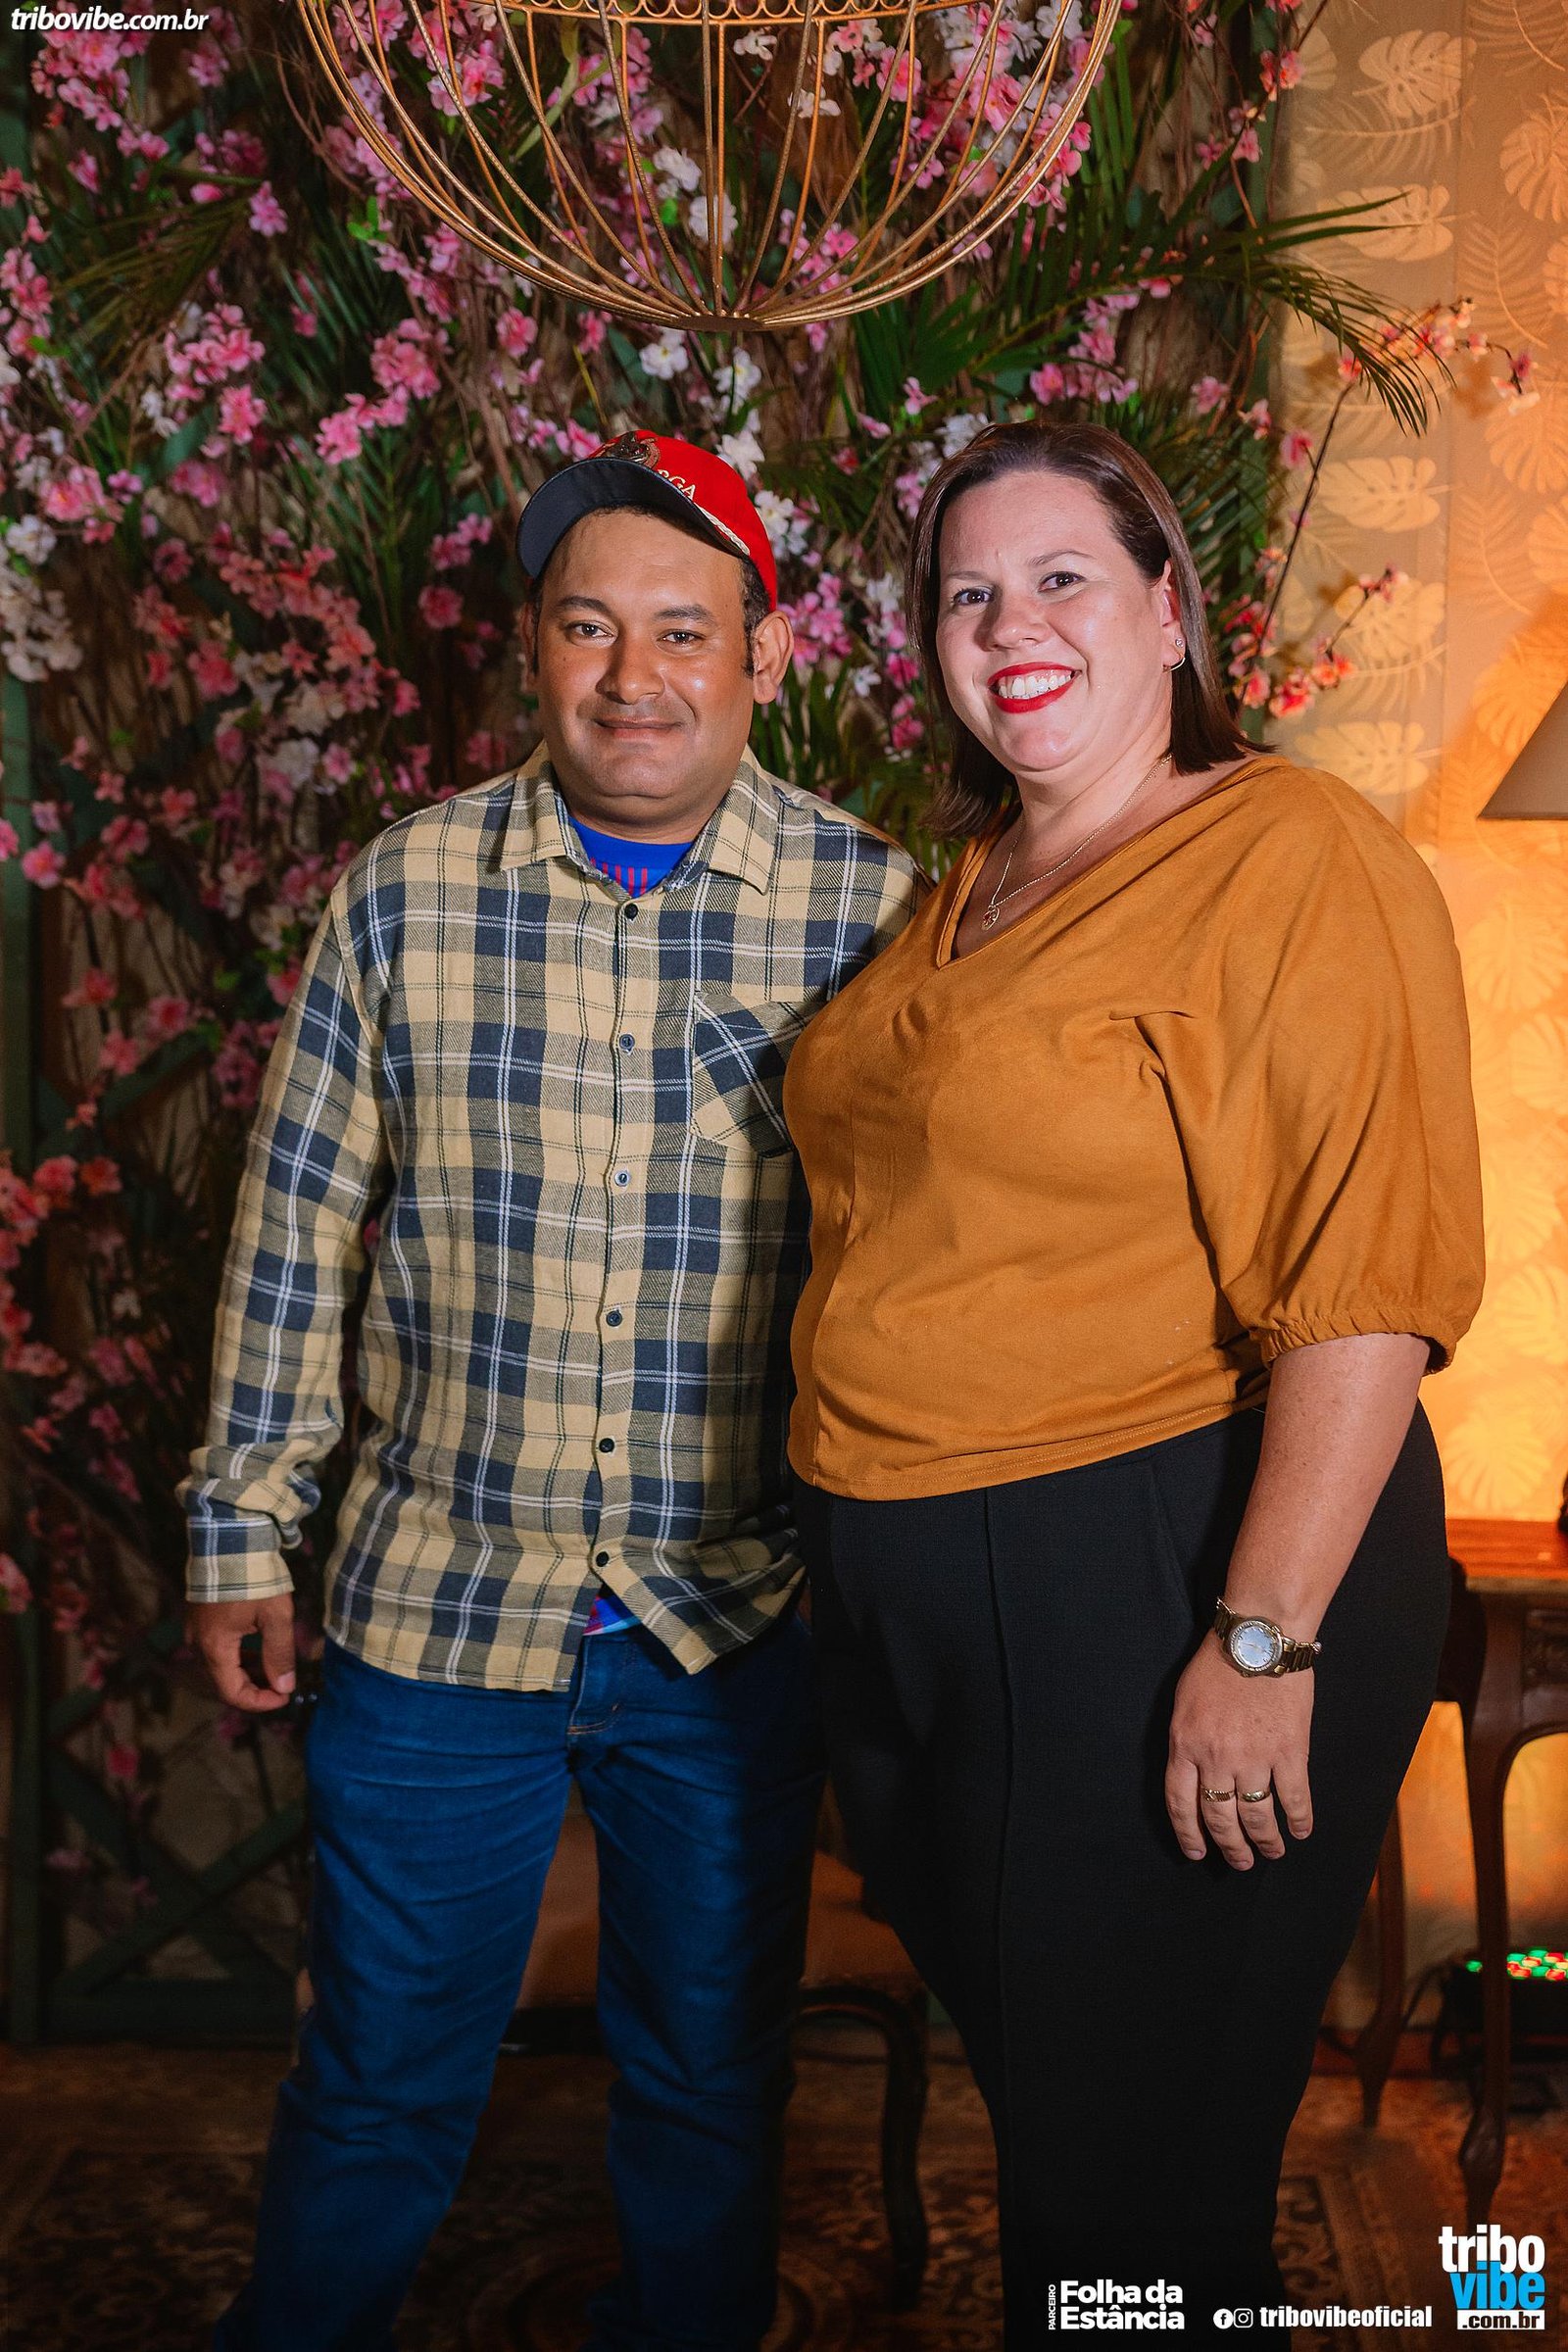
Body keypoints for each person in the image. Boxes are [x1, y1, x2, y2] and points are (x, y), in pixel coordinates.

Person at [180, 429, 923, 2352]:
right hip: (440, 1605)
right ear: (531, 649)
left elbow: (934, 1260)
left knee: (709, 2079)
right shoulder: (404, 892)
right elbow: (298, 1215)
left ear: (764, 655)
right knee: (377, 2077)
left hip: (729, 1615)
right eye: (588, 626)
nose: (632, 676)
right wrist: (243, 1525)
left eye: (682, 630)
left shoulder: (873, 908)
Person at [782, 420, 1486, 2345]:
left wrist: (1259, 1642)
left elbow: (1361, 1288)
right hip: (948, 1604)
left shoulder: (1285, 854)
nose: (1010, 625)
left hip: (1156, 1564)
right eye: (967, 595)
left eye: (1062, 578)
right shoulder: (975, 883)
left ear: (1170, 612)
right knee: (1101, 2149)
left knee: (1123, 2208)